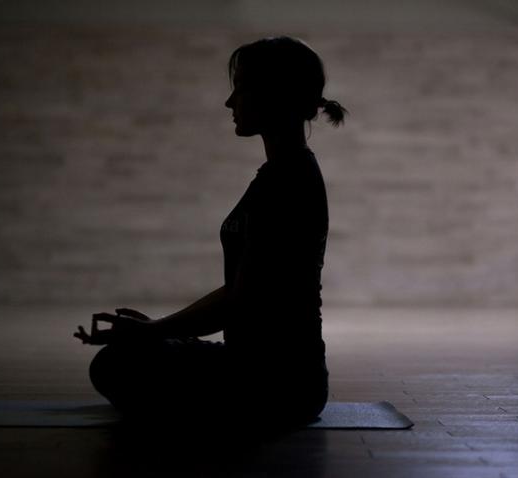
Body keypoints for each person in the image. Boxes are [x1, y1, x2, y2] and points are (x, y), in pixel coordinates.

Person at [74, 36, 347, 432]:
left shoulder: (289, 181)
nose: (229, 102)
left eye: (241, 88)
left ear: (272, 95)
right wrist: (158, 331)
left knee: (116, 364)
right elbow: (241, 290)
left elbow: (241, 301)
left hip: (279, 386)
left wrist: (155, 331)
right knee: (126, 356)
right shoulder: (279, 175)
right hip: (256, 369)